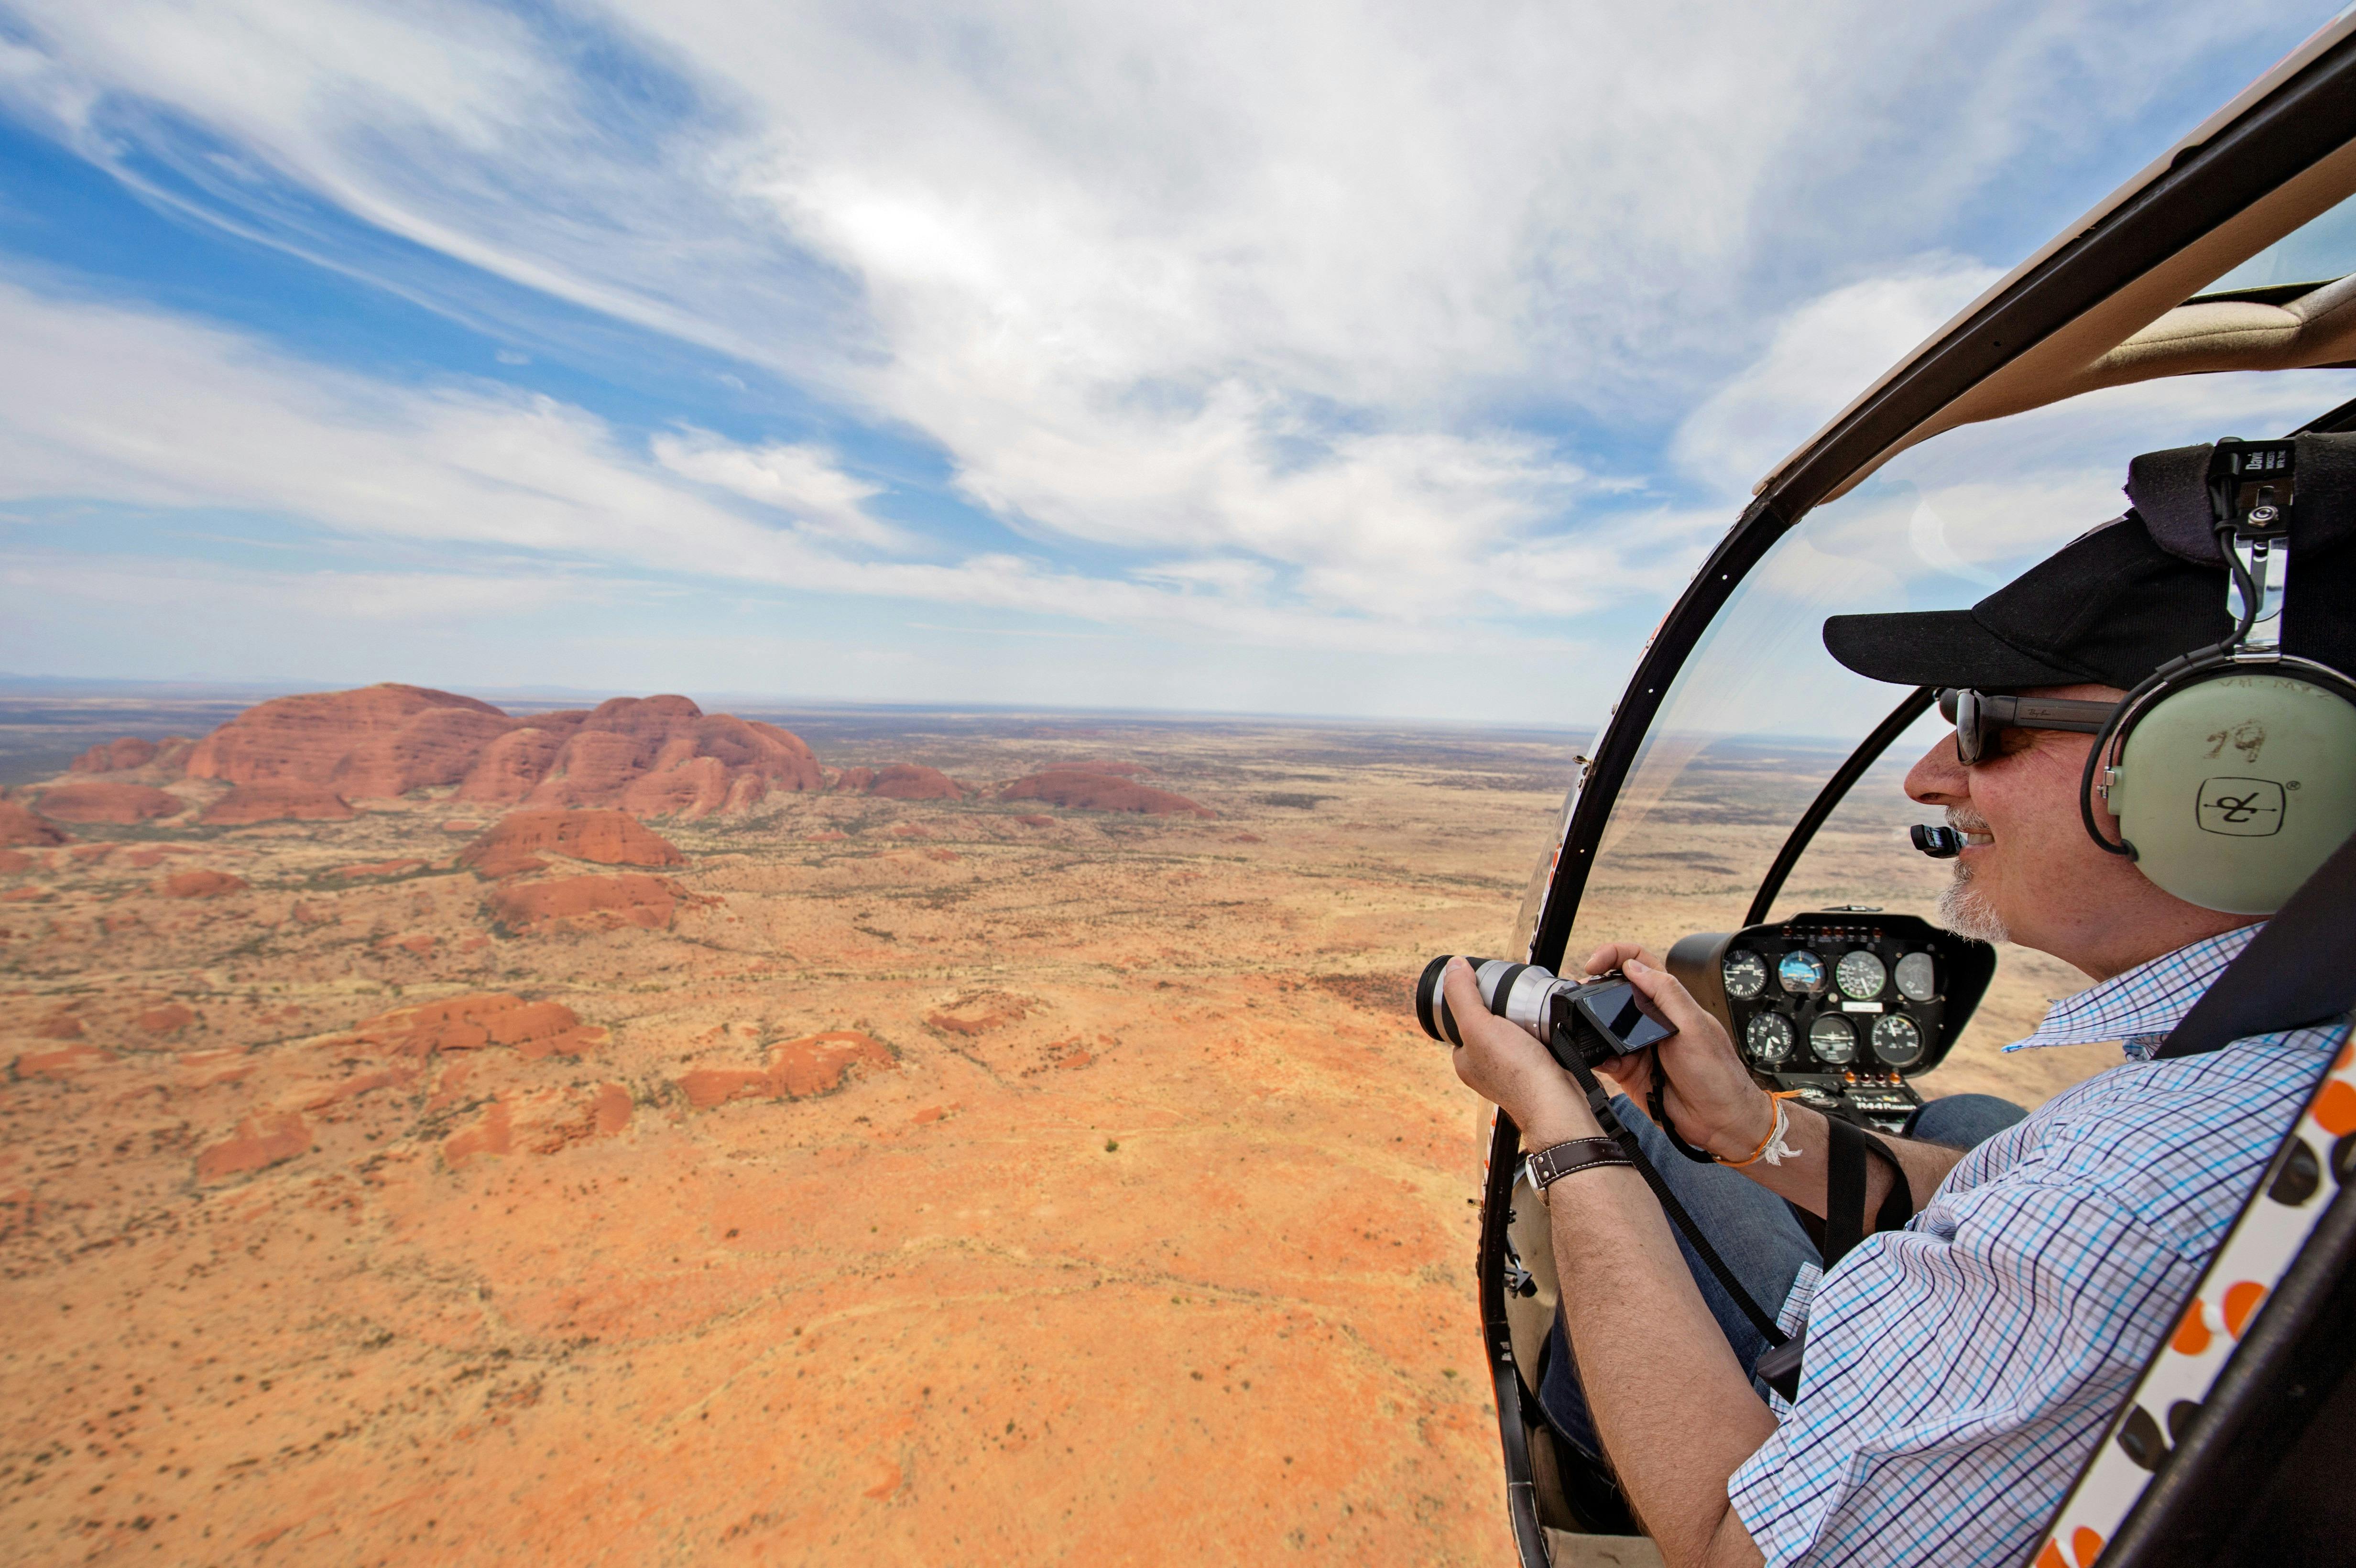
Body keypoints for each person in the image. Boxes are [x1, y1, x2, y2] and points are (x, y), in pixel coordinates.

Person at [1443, 484, 2355, 1568]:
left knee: (1630, 1139)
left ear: (2229, 767)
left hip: (1765, 1492)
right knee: (1972, 1120)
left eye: (1987, 721)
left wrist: (1567, 1128)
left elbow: (1738, 1547)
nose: (1928, 778)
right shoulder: (2284, 1062)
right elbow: (2009, 1199)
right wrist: (1750, 1127)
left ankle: (1596, 1460)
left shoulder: (2129, 1186)